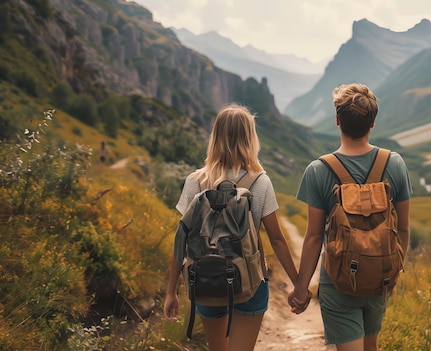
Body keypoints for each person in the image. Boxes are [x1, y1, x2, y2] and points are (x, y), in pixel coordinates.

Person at [163, 104, 301, 351]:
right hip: (250, 282)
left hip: (206, 279)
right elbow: (277, 240)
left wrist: (171, 291)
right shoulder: (260, 182)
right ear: (251, 138)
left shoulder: (195, 181)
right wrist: (298, 285)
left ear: (215, 136)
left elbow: (180, 241)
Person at [288, 83, 412, 351]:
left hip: (338, 282)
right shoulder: (395, 163)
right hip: (379, 277)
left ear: (337, 120)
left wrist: (301, 288)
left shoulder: (318, 171)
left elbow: (312, 238)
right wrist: (393, 274)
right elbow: (403, 229)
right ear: (372, 123)